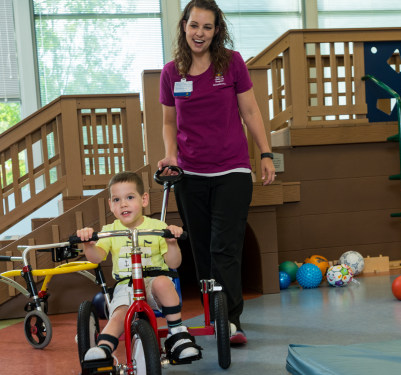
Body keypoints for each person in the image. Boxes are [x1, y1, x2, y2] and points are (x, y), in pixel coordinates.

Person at [157, 0, 276, 346]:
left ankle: (230, 319)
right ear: (184, 26)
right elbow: (168, 121)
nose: (200, 33)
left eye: (207, 27)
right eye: (195, 25)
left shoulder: (232, 63)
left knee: (226, 246)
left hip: (232, 169)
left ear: (216, 31)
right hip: (190, 174)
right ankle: (213, 315)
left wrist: (265, 153)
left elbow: (251, 111)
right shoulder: (171, 73)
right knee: (204, 250)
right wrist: (170, 156)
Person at [76, 171, 201, 363]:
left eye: (130, 197)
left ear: (144, 200)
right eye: (116, 199)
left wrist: (172, 242)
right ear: (110, 205)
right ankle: (104, 348)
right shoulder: (110, 231)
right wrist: (88, 244)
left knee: (162, 282)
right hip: (126, 287)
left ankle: (176, 334)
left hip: (153, 287)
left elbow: (174, 264)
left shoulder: (157, 227)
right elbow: (96, 258)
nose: (123, 204)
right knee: (119, 315)